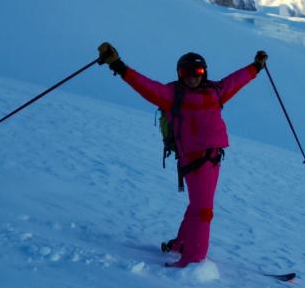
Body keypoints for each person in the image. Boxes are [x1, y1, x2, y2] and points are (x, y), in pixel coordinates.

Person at [97, 42, 268, 268]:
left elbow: (237, 80)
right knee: (204, 210)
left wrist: (256, 67)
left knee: (198, 205)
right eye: (185, 73)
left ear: (204, 72)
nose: (192, 77)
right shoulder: (171, 94)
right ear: (179, 74)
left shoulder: (216, 90)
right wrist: (118, 65)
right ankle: (194, 260)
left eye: (197, 72)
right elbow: (144, 85)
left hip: (214, 158)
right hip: (194, 160)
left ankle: (181, 245)